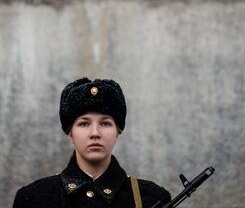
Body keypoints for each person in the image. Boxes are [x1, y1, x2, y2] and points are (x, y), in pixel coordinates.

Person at [12, 77, 172, 208]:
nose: (95, 133)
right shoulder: (33, 199)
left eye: (105, 123)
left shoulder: (151, 198)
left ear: (118, 131)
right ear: (70, 133)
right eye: (84, 124)